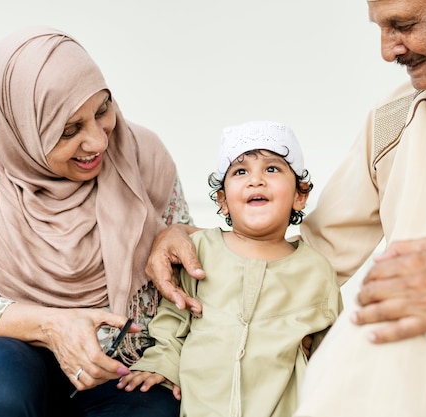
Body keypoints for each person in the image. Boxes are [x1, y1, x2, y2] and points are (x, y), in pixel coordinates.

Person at [146, 0, 426, 416]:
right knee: (363, 333)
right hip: (402, 355)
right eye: (380, 28)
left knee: (416, 330)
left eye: (403, 24)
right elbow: (316, 250)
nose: (388, 50)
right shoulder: (392, 117)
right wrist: (198, 241)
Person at [0, 26, 190, 417]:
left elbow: (185, 270)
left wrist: (176, 234)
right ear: (18, 131)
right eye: (69, 130)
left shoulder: (143, 155)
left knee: (153, 410)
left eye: (102, 110)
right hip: (7, 348)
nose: (99, 142)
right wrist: (51, 325)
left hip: (119, 355)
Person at [118, 121, 342, 416]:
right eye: (240, 171)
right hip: (203, 406)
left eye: (272, 169)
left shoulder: (315, 270)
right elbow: (174, 318)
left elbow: (333, 349)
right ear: (222, 200)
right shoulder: (200, 250)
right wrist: (163, 363)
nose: (256, 180)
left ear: (300, 195)